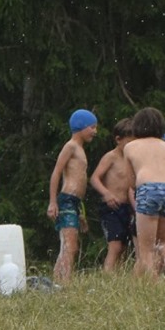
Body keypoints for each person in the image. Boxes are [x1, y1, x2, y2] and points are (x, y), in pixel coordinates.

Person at [121, 109, 165, 278]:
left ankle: (151, 284)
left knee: (146, 249)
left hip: (147, 189)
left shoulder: (130, 147)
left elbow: (130, 181)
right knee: (162, 242)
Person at [46, 109, 99, 284]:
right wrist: (52, 202)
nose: (95, 131)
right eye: (92, 127)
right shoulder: (70, 146)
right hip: (66, 199)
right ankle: (64, 284)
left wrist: (81, 212)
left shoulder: (80, 149)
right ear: (81, 126)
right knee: (69, 245)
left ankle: (58, 283)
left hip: (75, 202)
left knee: (70, 246)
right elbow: (56, 173)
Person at [90, 116, 137, 273]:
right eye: (129, 142)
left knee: (124, 246)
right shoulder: (111, 157)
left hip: (127, 207)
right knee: (115, 245)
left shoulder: (132, 159)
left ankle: (117, 277)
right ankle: (107, 275)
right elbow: (94, 178)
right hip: (111, 207)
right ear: (118, 139)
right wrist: (107, 193)